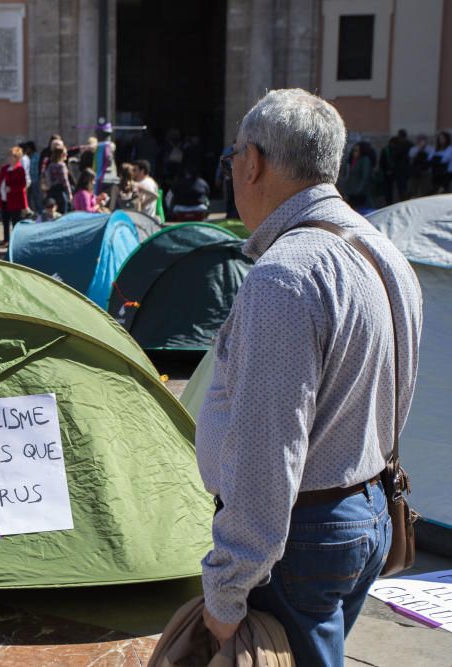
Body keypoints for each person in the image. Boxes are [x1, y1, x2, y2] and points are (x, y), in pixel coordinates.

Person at [199, 89, 422, 667]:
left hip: (301, 540)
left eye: (233, 161)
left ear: (253, 164)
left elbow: (266, 452)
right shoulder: (384, 251)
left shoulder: (286, 276)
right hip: (364, 509)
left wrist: (226, 590)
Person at [0, 146, 30, 245]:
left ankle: (15, 241)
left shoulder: (20, 169)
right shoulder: (5, 168)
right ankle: (6, 239)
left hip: (15, 200)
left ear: (17, 157)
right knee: (5, 220)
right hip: (4, 199)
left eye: (12, 156)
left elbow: (22, 185)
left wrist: (11, 189)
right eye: (9, 156)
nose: (10, 158)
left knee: (15, 222)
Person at [340, 142, 373, 207]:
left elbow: (365, 177)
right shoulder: (351, 160)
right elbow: (345, 174)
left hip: (359, 193)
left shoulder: (365, 160)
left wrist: (359, 190)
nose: (354, 153)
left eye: (356, 150)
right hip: (350, 191)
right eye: (353, 150)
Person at [407, 134, 434, 199]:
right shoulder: (413, 149)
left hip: (426, 172)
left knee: (425, 190)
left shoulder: (430, 148)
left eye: (422, 140)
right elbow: (411, 157)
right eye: (419, 140)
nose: (421, 141)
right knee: (413, 190)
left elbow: (430, 159)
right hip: (415, 172)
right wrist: (420, 148)